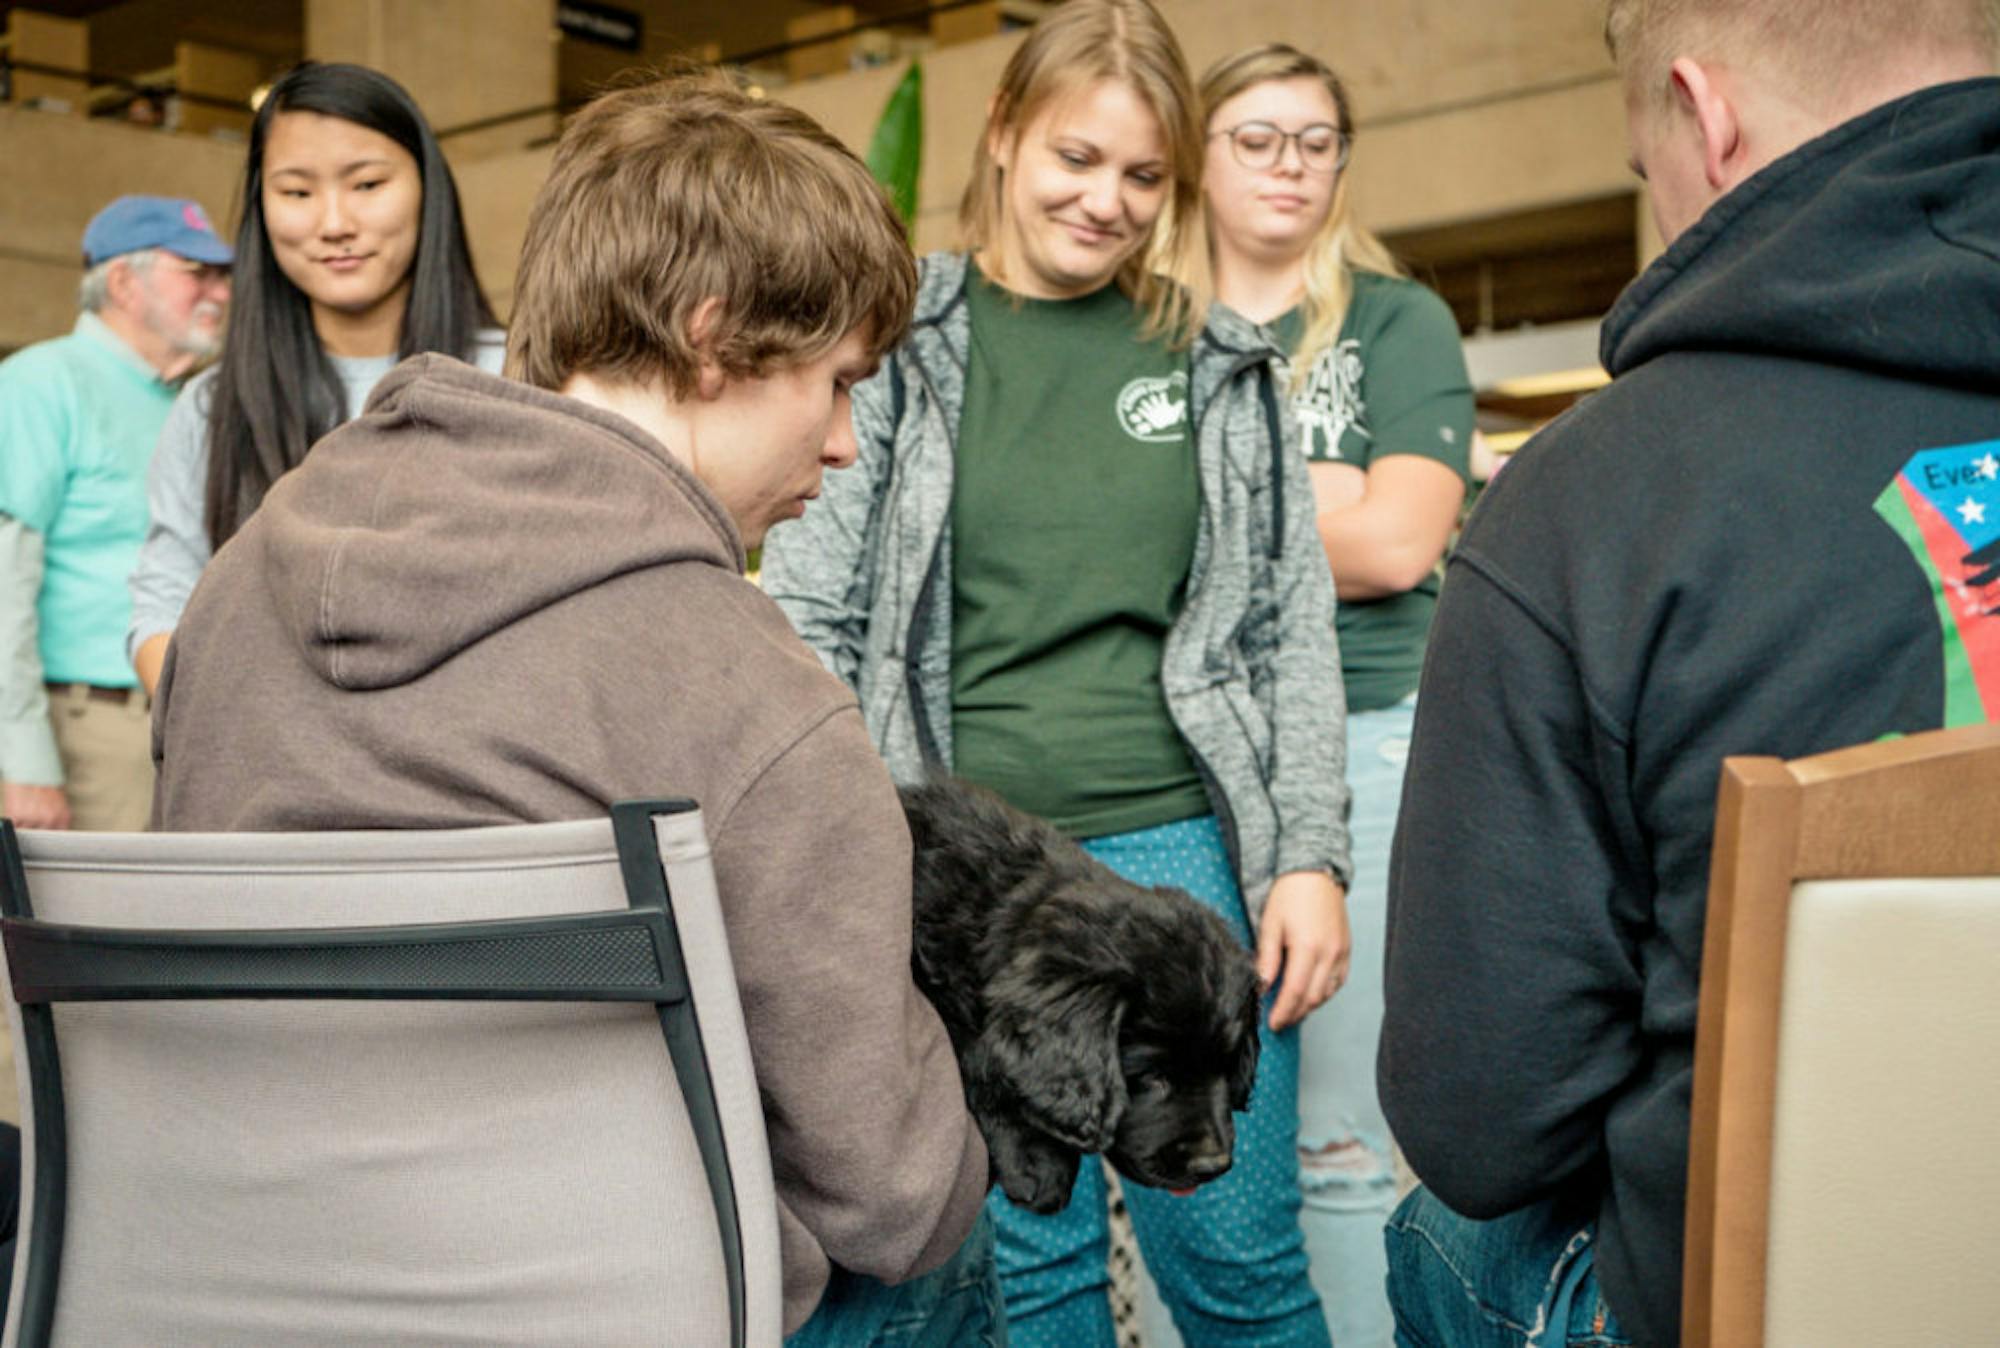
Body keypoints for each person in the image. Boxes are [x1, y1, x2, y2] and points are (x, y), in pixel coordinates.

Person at [147, 70, 997, 1346]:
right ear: (714, 338)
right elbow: (891, 1193)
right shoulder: (751, 694)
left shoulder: (231, 588)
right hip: (602, 1299)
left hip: (245, 1274)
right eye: (838, 382)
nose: (842, 445)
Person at [1377, 3, 2000, 1346]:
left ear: (1702, 112)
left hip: (1764, 1307)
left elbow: (1481, 1123)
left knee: (1444, 1227)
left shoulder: (1590, 506)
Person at [759, 2, 1352, 1343]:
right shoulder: (900, 344)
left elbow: (1286, 629)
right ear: (1005, 135)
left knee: (1238, 1259)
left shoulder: (1218, 366)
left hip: (1183, 853)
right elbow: (814, 616)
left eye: (1145, 176)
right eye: (1077, 160)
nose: (1108, 202)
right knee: (1023, 1269)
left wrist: (1308, 853)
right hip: (957, 883)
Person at [1195, 44, 1473, 1348]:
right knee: (1213, 1139)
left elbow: (1401, 544)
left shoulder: (1393, 318)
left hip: (1369, 740)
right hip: (1188, 756)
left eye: (1315, 140)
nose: (1288, 164)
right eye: (1256, 137)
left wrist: (1220, 495)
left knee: (1344, 1143)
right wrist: (1329, 495)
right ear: (1201, 154)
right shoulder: (1150, 328)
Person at [128, 60, 502, 695]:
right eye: (297, 193)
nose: (334, 223)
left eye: (366, 184)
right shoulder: (215, 407)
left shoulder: (516, 379)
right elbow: (165, 602)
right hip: (273, 776)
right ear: (262, 207)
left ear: (426, 188)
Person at [0, 195, 232, 831]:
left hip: (190, 732)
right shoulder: (40, 384)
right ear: (124, 282)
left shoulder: (198, 404)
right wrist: (23, 762)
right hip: (88, 733)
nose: (219, 292)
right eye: (197, 272)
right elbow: (3, 586)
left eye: (224, 276)